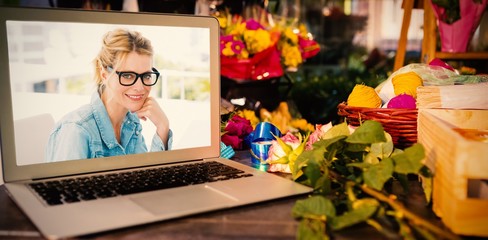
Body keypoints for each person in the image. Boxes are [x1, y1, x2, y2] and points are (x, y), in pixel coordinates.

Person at [46, 28, 172, 162]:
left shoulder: (131, 123)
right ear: (104, 73)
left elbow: (147, 178)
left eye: (146, 75)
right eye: (128, 75)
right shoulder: (76, 131)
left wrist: (162, 127)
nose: (140, 87)